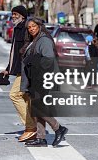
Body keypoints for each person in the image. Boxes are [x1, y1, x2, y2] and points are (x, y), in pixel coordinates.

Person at [20, 17, 68, 147]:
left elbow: (48, 59)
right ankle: (41, 138)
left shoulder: (44, 40)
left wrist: (33, 63)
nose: (31, 29)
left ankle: (58, 128)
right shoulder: (34, 40)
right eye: (29, 28)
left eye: (33, 26)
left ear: (39, 26)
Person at [1, 5, 37, 142]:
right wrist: (8, 69)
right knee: (27, 99)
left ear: (22, 15)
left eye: (16, 14)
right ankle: (34, 128)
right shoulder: (17, 29)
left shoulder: (26, 28)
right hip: (19, 69)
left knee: (14, 95)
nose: (13, 16)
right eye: (12, 14)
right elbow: (14, 54)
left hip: (27, 69)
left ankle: (30, 127)